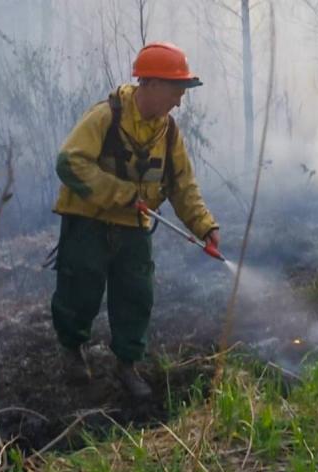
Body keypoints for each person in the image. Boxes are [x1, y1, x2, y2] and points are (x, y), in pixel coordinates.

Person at [50, 42, 219, 398]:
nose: (179, 101)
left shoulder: (169, 132)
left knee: (135, 297)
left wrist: (205, 227)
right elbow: (69, 163)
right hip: (88, 223)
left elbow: (182, 185)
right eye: (176, 91)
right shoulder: (104, 117)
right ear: (152, 84)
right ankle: (72, 351)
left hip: (134, 230)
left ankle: (127, 365)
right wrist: (123, 194)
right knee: (79, 289)